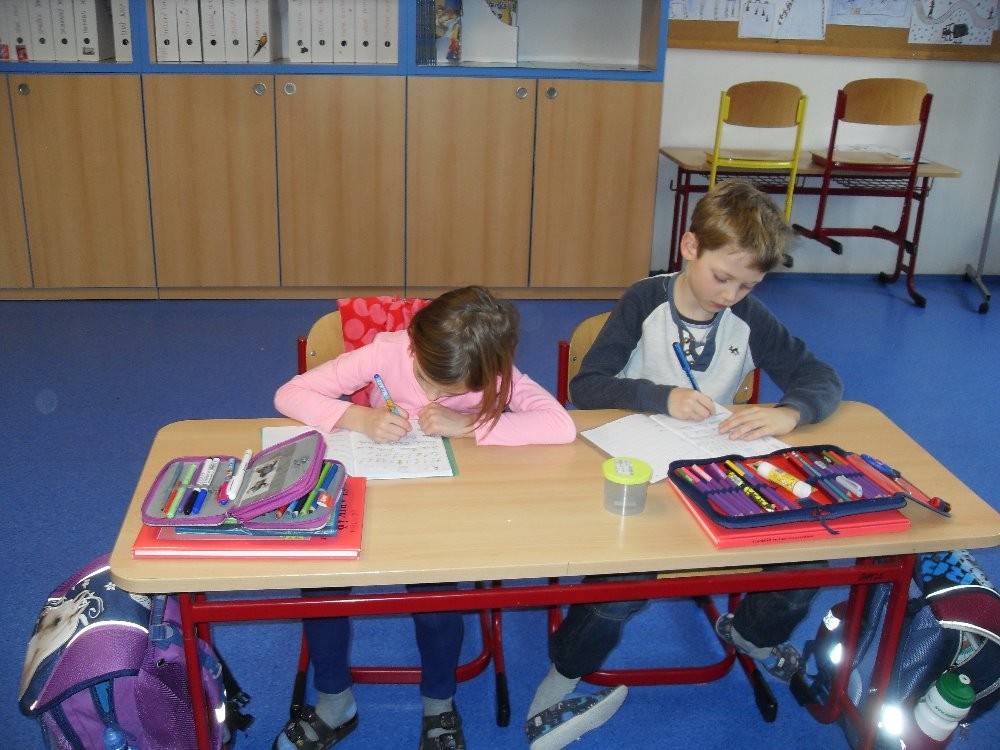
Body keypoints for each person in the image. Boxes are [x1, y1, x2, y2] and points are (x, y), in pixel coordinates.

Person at [524, 180, 843, 750]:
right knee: (627, 577)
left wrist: (791, 412)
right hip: (637, 470)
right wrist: (658, 396)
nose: (731, 296)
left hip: (714, 472)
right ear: (691, 247)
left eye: (747, 285)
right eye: (722, 278)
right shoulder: (644, 302)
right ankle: (567, 669)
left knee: (809, 558)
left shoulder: (750, 316)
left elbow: (819, 375)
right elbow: (587, 386)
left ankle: (751, 633)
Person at [272, 285, 576, 750]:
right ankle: (335, 699)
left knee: (436, 600)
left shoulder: (493, 370)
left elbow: (560, 425)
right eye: (428, 380)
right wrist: (358, 418)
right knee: (320, 588)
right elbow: (290, 394)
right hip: (373, 490)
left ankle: (439, 703)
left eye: (452, 393)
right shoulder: (387, 352)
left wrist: (471, 423)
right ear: (414, 342)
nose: (433, 395)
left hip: (442, 506)